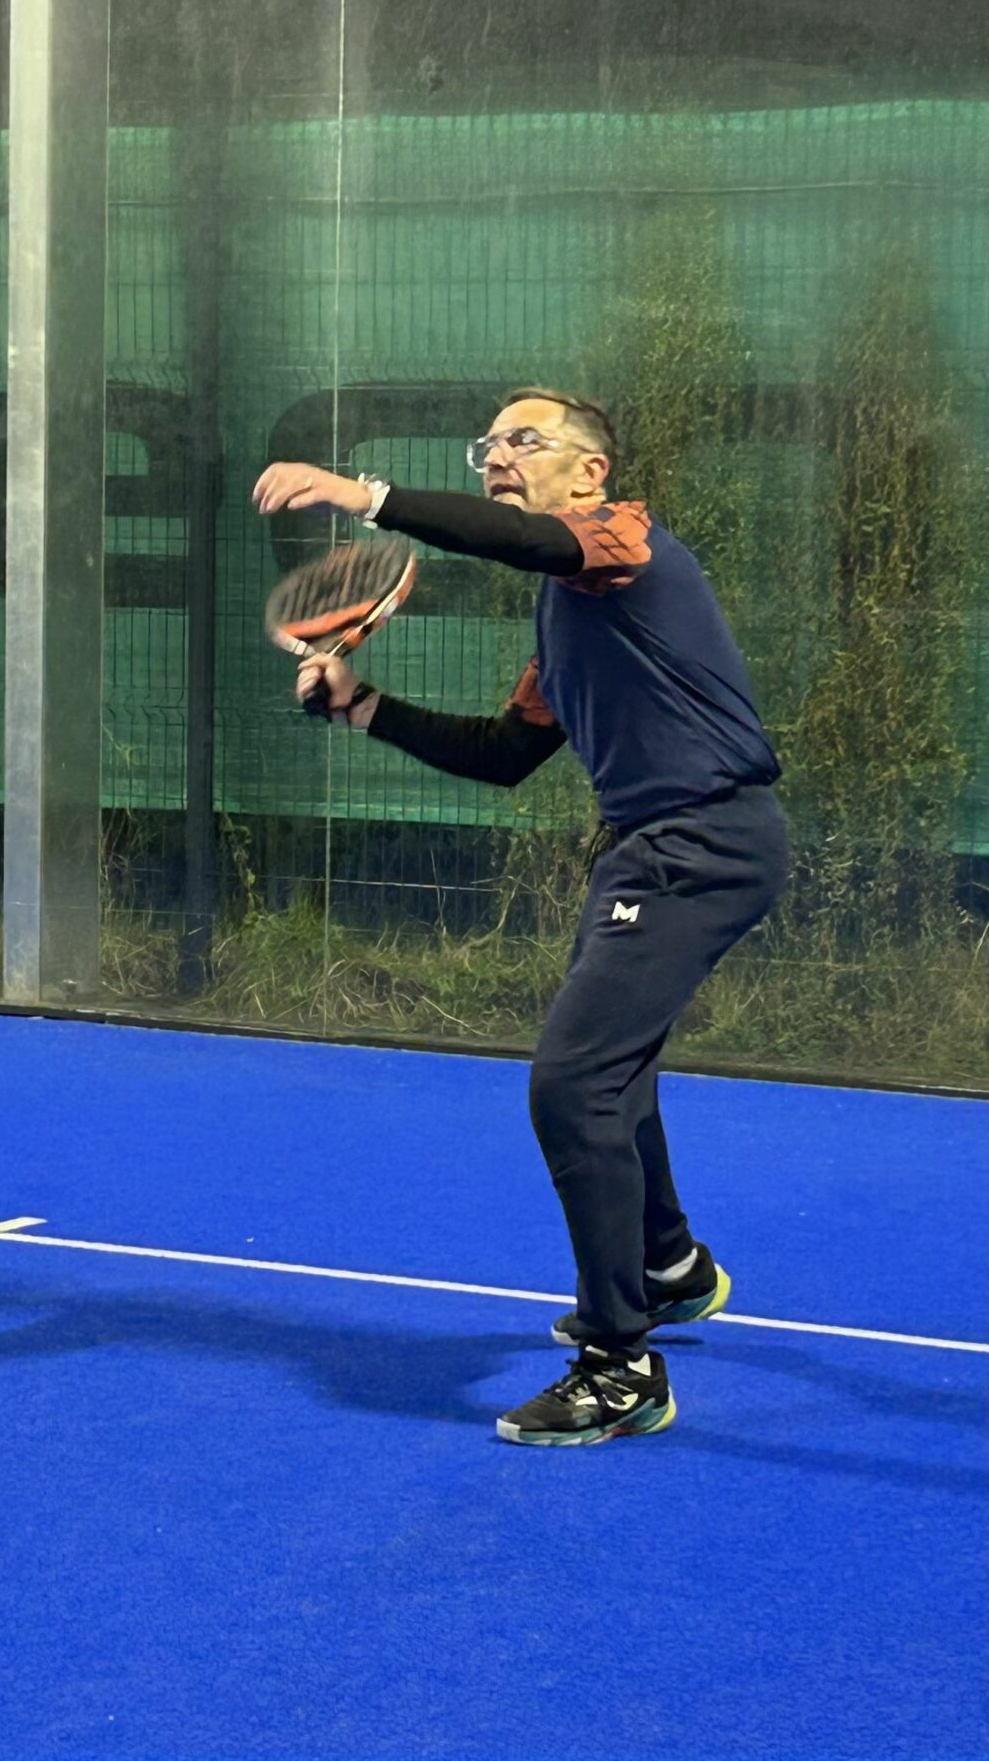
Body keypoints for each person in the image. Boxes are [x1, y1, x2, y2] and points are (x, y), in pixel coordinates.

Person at [252, 387, 788, 1446]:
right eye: (488, 444)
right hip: (645, 846)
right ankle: (669, 1266)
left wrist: (361, 494)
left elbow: (522, 541)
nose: (498, 456)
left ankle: (620, 1367)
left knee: (572, 1088)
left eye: (524, 441)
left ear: (590, 470)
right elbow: (505, 754)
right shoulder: (568, 610)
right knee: (615, 1074)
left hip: (704, 842)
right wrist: (362, 707)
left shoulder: (622, 543)